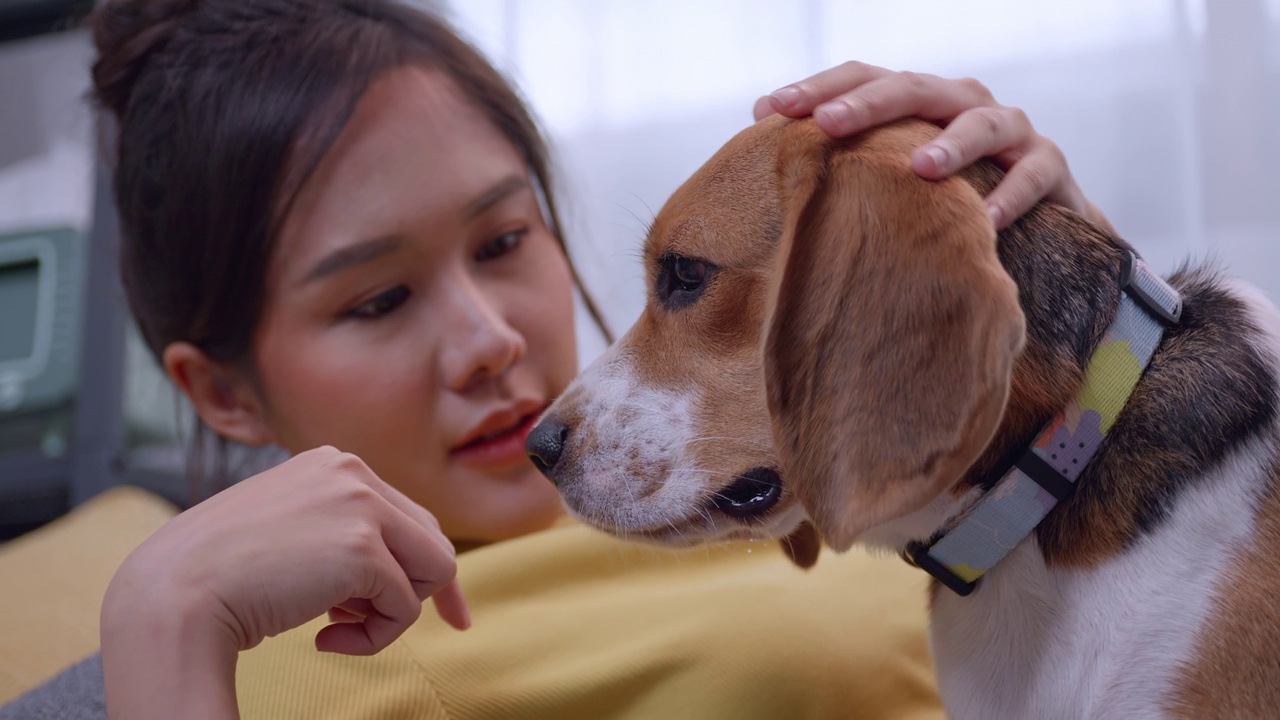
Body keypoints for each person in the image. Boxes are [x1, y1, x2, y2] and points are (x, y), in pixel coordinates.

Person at [88, 1, 1113, 718]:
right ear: (221, 392)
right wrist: (166, 625)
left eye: (501, 242)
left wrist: (1037, 269)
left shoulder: (792, 462)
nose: (489, 340)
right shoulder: (292, 673)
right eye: (378, 300)